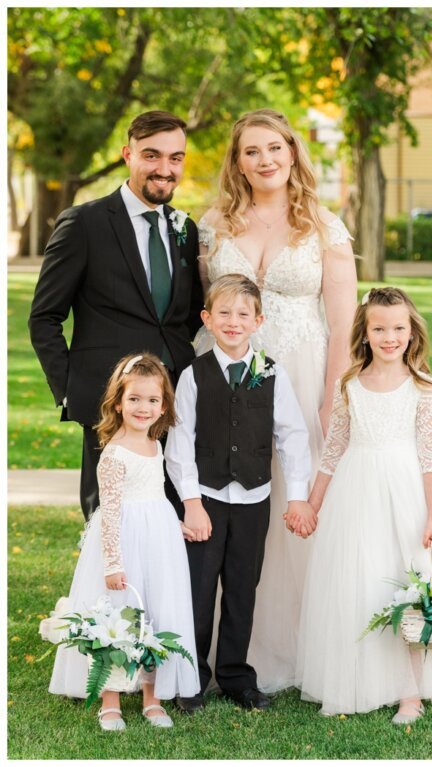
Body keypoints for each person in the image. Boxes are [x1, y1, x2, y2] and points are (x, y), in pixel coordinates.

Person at [196, 108, 357, 693]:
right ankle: (214, 645)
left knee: (294, 497)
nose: (264, 160)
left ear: (293, 152)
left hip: (300, 371)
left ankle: (290, 645)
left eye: (274, 148)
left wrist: (328, 398)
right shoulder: (214, 222)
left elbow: (343, 323)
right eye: (250, 151)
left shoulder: (323, 224)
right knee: (223, 497)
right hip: (225, 375)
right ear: (237, 162)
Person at [296, 287, 432, 721]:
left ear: (412, 331)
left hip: (405, 492)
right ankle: (357, 677)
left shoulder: (422, 388)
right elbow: (333, 448)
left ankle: (411, 692)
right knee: (359, 580)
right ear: (365, 333)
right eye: (380, 328)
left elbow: (430, 457)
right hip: (356, 490)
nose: (390, 337)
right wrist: (313, 503)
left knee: (408, 582)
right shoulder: (349, 384)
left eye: (399, 328)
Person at [29, 111, 205, 522]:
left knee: (171, 522)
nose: (165, 169)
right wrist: (73, 390)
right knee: (111, 528)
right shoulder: (83, 223)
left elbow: (189, 316)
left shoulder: (185, 229)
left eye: (176, 158)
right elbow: (44, 318)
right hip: (109, 405)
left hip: (173, 400)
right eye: (152, 155)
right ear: (128, 154)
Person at [165, 274, 314, 712]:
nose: (233, 322)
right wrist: (191, 504)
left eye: (243, 314)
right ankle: (190, 678)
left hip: (253, 500)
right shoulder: (193, 375)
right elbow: (178, 445)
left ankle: (235, 676)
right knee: (197, 593)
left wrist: (298, 496)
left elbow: (292, 435)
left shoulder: (271, 373)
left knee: (242, 591)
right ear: (207, 319)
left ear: (258, 321)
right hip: (205, 502)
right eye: (224, 313)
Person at [49, 352, 199, 730]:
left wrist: (170, 522)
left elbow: (153, 490)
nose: (143, 408)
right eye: (134, 399)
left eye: (152, 400)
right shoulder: (114, 453)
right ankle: (110, 699)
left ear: (163, 405)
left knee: (155, 613)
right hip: (124, 543)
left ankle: (153, 696)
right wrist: (113, 563)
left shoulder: (153, 442)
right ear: (118, 402)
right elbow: (111, 513)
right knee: (117, 616)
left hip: (158, 539)